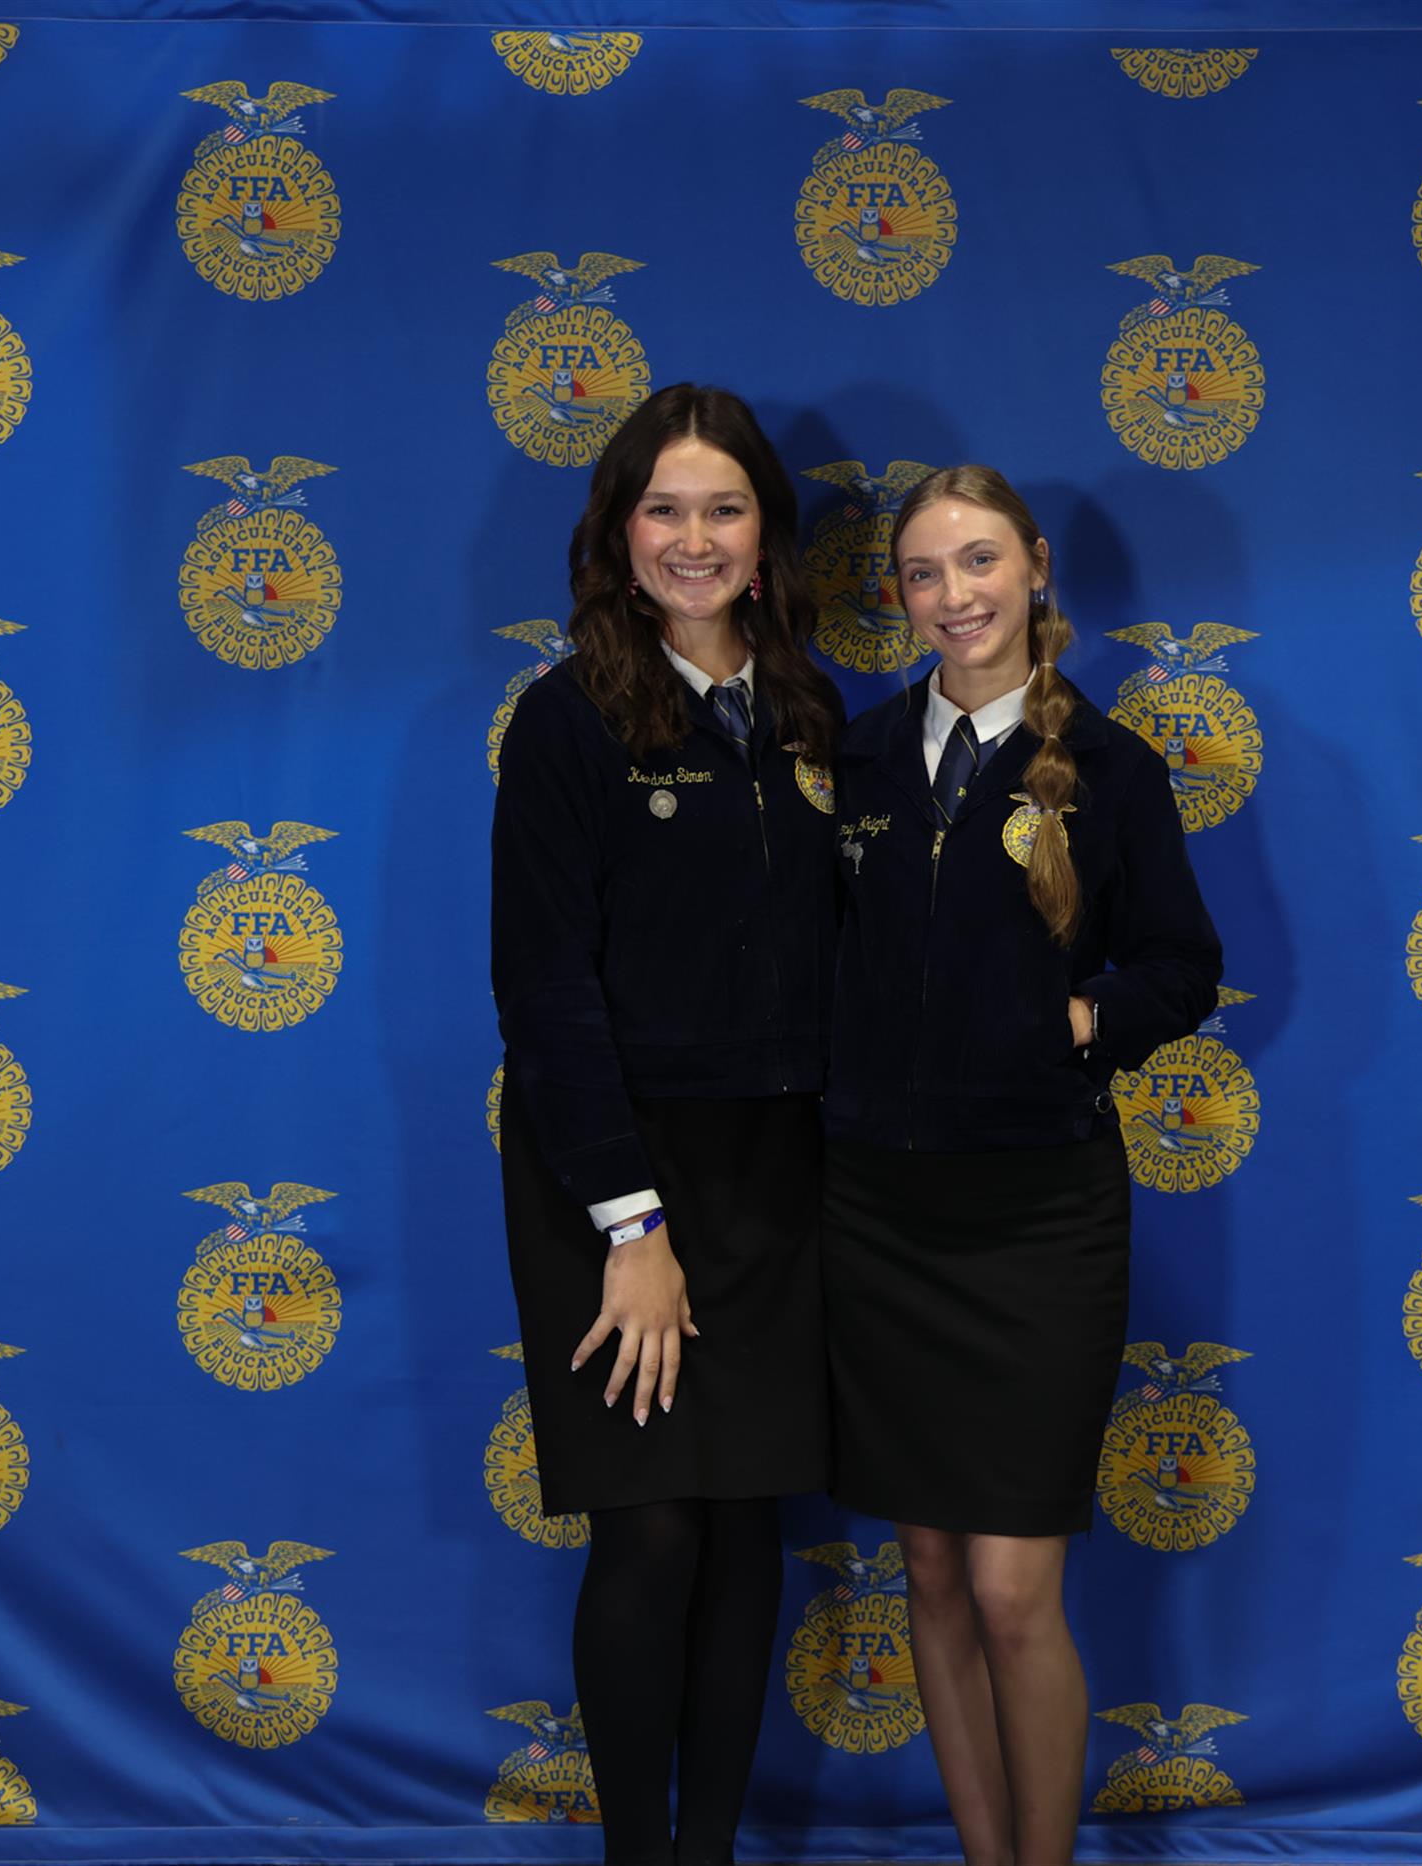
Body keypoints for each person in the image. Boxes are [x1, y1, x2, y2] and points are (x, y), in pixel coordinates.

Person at [819, 465, 1222, 1866]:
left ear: (1037, 566)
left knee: (1007, 1591)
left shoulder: (1113, 769)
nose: (955, 596)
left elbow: (1183, 966)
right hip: (876, 1216)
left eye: (980, 561)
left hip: (1040, 1220)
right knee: (929, 1570)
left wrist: (1076, 1021)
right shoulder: (855, 760)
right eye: (924, 572)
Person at [490, 383, 844, 1866]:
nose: (694, 539)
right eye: (663, 509)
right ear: (617, 533)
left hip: (779, 1177)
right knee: (651, 1526)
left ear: (767, 534)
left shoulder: (816, 713)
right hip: (615, 1174)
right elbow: (544, 992)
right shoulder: (566, 719)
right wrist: (630, 1223)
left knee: (747, 1526)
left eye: (725, 508)